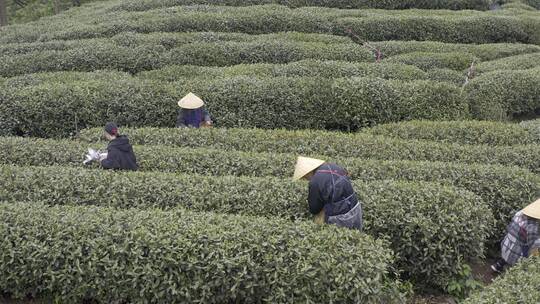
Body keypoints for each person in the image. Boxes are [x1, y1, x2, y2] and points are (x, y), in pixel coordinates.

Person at [293, 156, 362, 230]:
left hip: (341, 217)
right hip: (356, 207)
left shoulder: (315, 182)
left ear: (307, 172)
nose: (306, 179)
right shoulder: (334, 166)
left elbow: (314, 209)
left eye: (305, 177)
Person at [491, 198, 540, 273]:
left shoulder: (519, 214)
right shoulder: (532, 227)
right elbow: (534, 246)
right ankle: (513, 273)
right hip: (515, 254)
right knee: (530, 250)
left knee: (517, 241)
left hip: (506, 244)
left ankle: (498, 265)